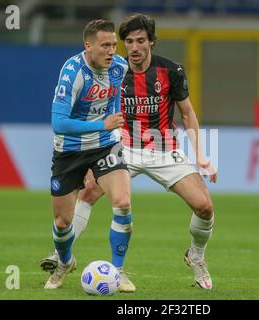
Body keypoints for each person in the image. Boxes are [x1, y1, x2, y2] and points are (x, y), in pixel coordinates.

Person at [41, 13, 217, 291]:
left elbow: (187, 113)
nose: (133, 47)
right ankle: (63, 254)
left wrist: (202, 156)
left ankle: (196, 257)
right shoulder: (115, 70)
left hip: (163, 148)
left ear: (151, 42)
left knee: (204, 206)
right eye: (128, 42)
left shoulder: (171, 71)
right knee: (89, 192)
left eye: (140, 41)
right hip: (124, 145)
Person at [44, 19, 133, 290]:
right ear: (88, 46)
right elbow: (59, 123)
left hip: (105, 145)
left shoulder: (119, 66)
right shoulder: (72, 72)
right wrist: (101, 124)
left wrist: (113, 127)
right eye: (105, 45)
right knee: (62, 223)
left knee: (122, 202)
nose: (111, 51)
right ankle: (65, 263)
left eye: (114, 45)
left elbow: (114, 98)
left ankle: (117, 271)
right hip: (70, 151)